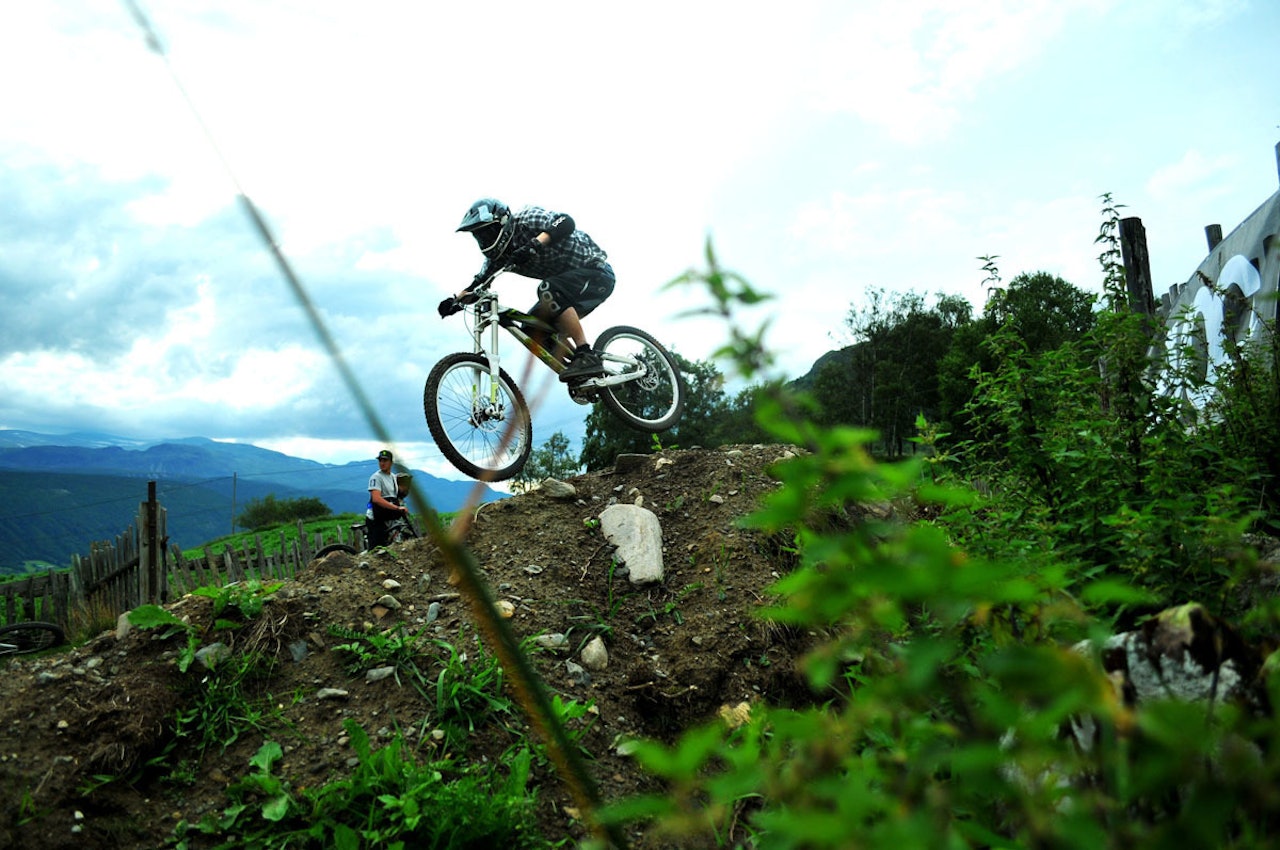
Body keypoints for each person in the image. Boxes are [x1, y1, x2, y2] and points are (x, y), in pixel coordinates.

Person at [440, 198, 615, 383]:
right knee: (531, 328)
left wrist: (535, 244)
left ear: (503, 222)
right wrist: (455, 302)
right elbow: (479, 282)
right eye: (479, 236)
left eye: (487, 232)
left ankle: (585, 354)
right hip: (567, 288)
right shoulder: (500, 256)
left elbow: (566, 221)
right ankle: (579, 372)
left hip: (596, 273)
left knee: (548, 289)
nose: (485, 239)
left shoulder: (526, 219)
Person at [366, 449, 409, 548]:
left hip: (388, 516)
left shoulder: (393, 477)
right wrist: (397, 508)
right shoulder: (376, 477)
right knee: (377, 548)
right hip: (376, 518)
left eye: (385, 460)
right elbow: (376, 499)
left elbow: (395, 495)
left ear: (391, 462)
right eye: (380, 460)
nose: (382, 463)